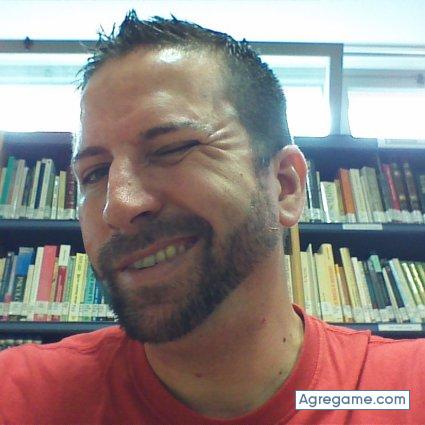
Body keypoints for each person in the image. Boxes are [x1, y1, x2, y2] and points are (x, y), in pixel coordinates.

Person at [1, 10, 424, 425]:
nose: (120, 205)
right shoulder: (19, 396)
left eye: (170, 149)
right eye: (94, 174)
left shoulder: (407, 390)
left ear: (285, 186)